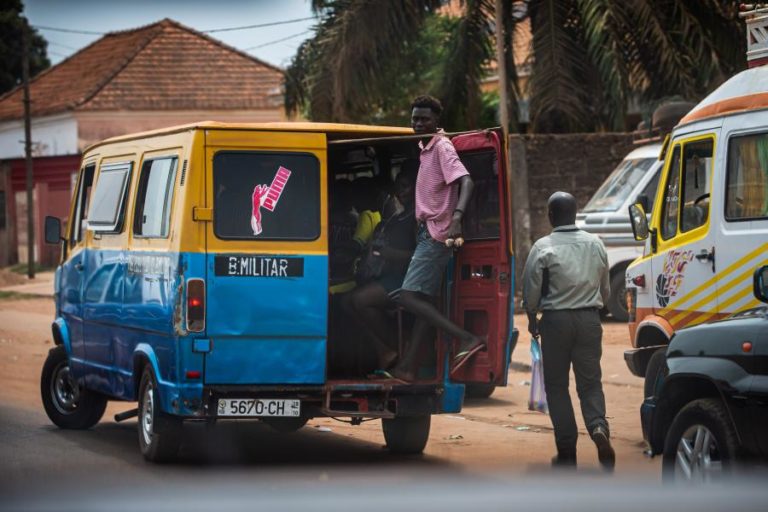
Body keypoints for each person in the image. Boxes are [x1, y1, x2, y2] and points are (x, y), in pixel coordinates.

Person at [390, 95, 484, 382]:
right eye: (415, 119)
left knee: (407, 297)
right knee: (423, 303)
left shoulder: (442, 146)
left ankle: (467, 338)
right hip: (427, 232)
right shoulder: (425, 148)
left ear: (436, 121)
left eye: (424, 119)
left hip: (436, 233)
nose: (418, 124)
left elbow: (466, 181)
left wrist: (456, 218)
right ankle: (408, 368)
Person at [521, 191, 616, 471]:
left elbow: (531, 290)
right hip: (589, 321)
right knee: (590, 384)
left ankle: (567, 452)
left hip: (555, 323)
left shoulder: (542, 247)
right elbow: (605, 290)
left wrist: (532, 317)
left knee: (557, 387)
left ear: (551, 216)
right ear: (575, 214)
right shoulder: (596, 243)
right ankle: (598, 428)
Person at [342, 169, 418, 370]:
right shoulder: (399, 217)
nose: (400, 192)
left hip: (407, 280)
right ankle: (384, 350)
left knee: (360, 300)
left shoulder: (417, 217)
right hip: (390, 276)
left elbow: (423, 256)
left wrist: (391, 254)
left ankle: (401, 350)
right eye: (398, 187)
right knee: (346, 302)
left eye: (405, 186)